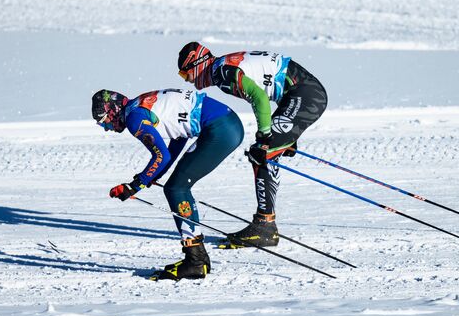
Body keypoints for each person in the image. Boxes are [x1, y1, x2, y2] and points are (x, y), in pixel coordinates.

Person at [177, 42, 328, 248]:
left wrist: (266, 134)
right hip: (302, 95)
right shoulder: (221, 66)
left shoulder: (222, 72)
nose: (189, 82)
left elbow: (259, 97)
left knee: (261, 153)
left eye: (186, 75)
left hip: (305, 95)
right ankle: (265, 222)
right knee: (265, 151)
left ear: (196, 65)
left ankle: (265, 227)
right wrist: (284, 135)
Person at [91, 88, 244, 280]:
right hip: (226, 124)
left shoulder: (134, 119)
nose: (106, 127)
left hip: (219, 129)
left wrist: (136, 185)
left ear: (112, 110)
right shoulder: (137, 106)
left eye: (103, 120)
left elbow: (161, 155)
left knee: (176, 188)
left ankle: (195, 261)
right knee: (176, 186)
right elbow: (179, 137)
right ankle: (199, 259)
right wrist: (154, 175)